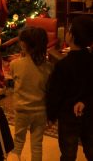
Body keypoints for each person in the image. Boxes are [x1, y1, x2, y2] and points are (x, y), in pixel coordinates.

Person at [47, 15, 93, 161]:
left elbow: (55, 93)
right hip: (90, 112)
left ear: (71, 36)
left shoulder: (62, 65)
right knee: (91, 147)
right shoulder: (91, 60)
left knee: (68, 152)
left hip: (67, 116)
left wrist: (51, 115)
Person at [9, 26, 52, 161]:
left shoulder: (15, 64)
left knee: (18, 143)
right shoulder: (49, 67)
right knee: (37, 144)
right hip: (40, 111)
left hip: (22, 110)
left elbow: (15, 78)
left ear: (23, 44)